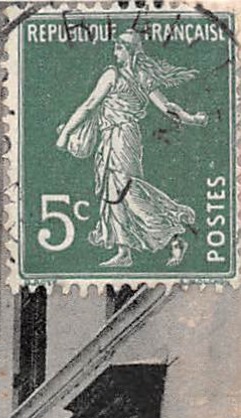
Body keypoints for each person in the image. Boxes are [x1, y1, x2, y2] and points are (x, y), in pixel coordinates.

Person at [54, 29, 208, 268]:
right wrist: (192, 119)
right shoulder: (141, 76)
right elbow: (167, 107)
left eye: (119, 47)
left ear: (129, 51)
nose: (115, 51)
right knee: (113, 192)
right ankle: (124, 250)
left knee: (128, 190)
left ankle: (174, 235)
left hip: (121, 136)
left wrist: (65, 134)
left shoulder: (113, 75)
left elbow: (89, 105)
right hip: (115, 137)